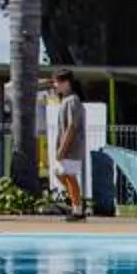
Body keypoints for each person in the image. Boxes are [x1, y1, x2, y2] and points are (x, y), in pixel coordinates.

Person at [49, 72, 88, 221]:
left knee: (70, 176)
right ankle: (75, 201)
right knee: (60, 173)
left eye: (56, 82)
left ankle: (78, 210)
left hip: (72, 147)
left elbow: (72, 126)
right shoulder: (66, 100)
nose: (54, 85)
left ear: (66, 82)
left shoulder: (72, 100)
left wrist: (63, 148)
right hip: (67, 147)